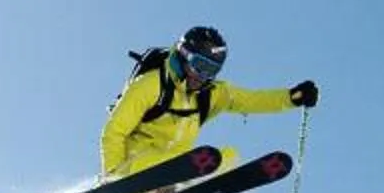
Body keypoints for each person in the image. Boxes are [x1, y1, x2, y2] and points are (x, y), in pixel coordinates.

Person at [99, 25, 318, 180]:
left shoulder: (210, 94)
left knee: (227, 157)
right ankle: (154, 187)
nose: (203, 76)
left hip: (180, 167)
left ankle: (179, 188)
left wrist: (291, 98)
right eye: (199, 65)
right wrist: (114, 183)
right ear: (184, 56)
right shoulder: (150, 85)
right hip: (135, 166)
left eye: (212, 70)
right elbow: (113, 133)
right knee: (191, 162)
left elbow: (250, 99)